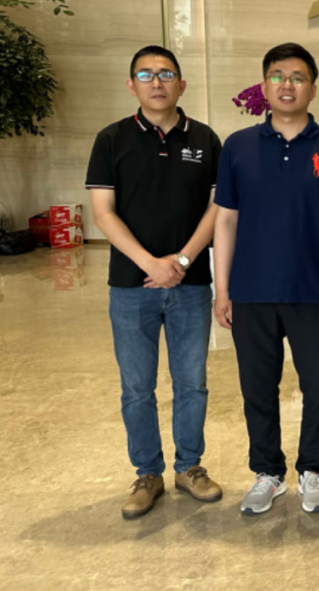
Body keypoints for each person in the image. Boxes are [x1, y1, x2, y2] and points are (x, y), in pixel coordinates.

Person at [213, 43, 319, 516]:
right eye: (278, 76)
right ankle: (268, 473)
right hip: (252, 290)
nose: (287, 84)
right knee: (257, 388)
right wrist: (223, 289)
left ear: (312, 89)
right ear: (264, 86)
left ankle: (313, 470)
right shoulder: (238, 146)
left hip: (315, 290)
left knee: (318, 385)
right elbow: (225, 220)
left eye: (298, 77)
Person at [86, 45, 223, 519]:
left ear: (182, 84)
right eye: (145, 75)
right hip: (131, 286)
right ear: (132, 85)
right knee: (136, 388)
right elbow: (103, 213)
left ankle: (189, 467)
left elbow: (218, 208)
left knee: (192, 383)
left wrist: (181, 260)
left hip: (190, 282)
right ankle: (147, 473)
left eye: (166, 74)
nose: (157, 82)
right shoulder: (111, 139)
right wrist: (151, 263)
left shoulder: (205, 139)